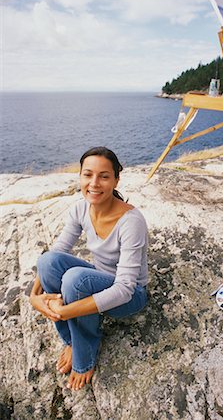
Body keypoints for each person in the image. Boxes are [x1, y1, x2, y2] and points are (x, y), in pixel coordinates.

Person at [30, 147, 148, 391]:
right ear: (80, 177)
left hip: (131, 295)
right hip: (99, 278)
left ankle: (85, 354)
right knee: (48, 261)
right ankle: (72, 340)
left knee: (76, 279)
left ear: (116, 179)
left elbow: (125, 289)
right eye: (88, 175)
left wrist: (63, 311)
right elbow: (56, 254)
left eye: (104, 176)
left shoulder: (131, 222)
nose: (94, 183)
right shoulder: (80, 208)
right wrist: (34, 297)